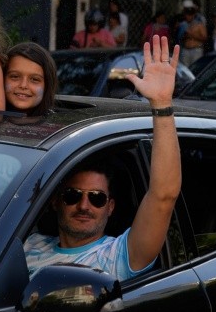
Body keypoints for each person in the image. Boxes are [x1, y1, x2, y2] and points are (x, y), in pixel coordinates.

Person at [24, 35, 181, 282]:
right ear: (55, 201)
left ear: (111, 206)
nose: (84, 206)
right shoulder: (29, 243)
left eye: (97, 198)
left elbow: (163, 195)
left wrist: (161, 105)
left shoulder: (118, 256)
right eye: (72, 195)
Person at [4, 42, 58, 116]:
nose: (23, 85)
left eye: (34, 79)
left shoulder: (59, 126)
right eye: (15, 76)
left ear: (47, 85)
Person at [178, 0, 207, 66]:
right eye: (187, 14)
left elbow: (205, 38)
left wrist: (192, 35)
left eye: (190, 15)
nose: (188, 16)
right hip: (185, 50)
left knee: (195, 70)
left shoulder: (200, 25)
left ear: (193, 15)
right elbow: (179, 38)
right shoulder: (183, 24)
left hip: (196, 50)